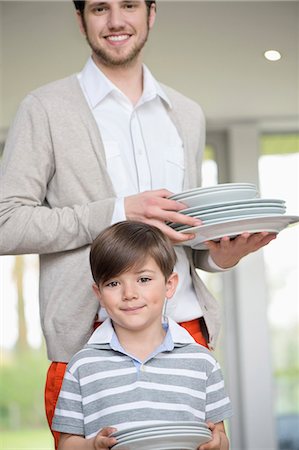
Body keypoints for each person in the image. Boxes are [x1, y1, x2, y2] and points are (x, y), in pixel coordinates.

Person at [0, 0, 275, 446]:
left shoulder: (186, 114)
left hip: (185, 329)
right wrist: (118, 210)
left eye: (128, 5)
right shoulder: (45, 108)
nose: (115, 21)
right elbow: (5, 222)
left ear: (151, 12)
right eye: (99, 8)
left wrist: (221, 255)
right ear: (80, 19)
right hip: (89, 335)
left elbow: (187, 235)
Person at [52, 221, 233, 450]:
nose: (129, 294)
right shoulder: (82, 366)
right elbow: (66, 444)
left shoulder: (202, 362)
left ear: (169, 285)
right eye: (114, 283)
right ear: (98, 293)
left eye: (143, 279)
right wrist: (93, 446)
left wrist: (217, 444)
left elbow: (221, 436)